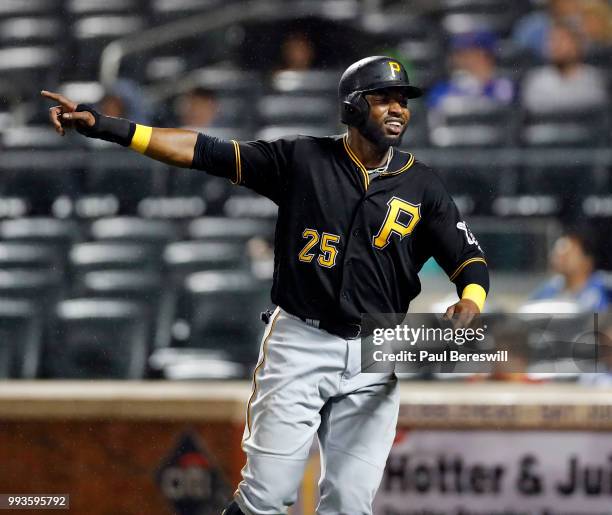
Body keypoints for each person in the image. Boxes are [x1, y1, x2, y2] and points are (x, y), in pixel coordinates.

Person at [42, 56, 489, 514]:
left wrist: (470, 301)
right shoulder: (302, 159)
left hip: (376, 351)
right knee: (266, 498)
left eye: (403, 101)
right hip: (302, 342)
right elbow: (203, 151)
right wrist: (108, 127)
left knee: (351, 505)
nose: (398, 109)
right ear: (353, 107)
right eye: (384, 99)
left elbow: (469, 260)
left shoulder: (423, 184)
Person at [521, 21, 608, 113]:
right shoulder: (536, 79)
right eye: (552, 40)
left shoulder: (593, 78)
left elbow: (596, 110)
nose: (556, 45)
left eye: (562, 39)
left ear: (577, 44)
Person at [427, 31, 514, 112]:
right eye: (462, 53)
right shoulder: (442, 91)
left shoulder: (503, 87)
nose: (468, 59)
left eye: (476, 53)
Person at [530, 230, 608, 312]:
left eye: (568, 254)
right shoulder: (550, 288)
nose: (560, 257)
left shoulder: (603, 290)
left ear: (587, 261)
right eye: (557, 253)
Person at [512, 0, 581, 59]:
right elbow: (519, 51)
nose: (568, 5)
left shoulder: (578, 24)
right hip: (537, 66)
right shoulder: (532, 25)